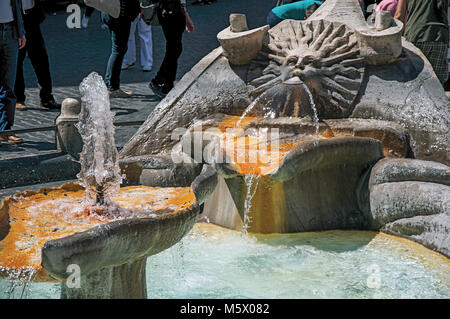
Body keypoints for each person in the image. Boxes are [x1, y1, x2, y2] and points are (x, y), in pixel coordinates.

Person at [14, 0, 61, 111]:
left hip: (31, 15)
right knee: (17, 60)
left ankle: (46, 97)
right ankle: (18, 98)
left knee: (41, 59)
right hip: (16, 17)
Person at [395, 0, 449, 85]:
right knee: (437, 83)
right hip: (439, 36)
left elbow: (399, 16)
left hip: (416, 34)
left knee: (414, 81)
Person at [149, 0, 194, 98]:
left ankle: (163, 81)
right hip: (170, 12)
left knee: (174, 49)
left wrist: (186, 16)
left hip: (173, 11)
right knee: (174, 49)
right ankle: (165, 84)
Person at [101, 0, 141, 98]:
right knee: (118, 50)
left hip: (110, 12)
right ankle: (112, 87)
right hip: (120, 14)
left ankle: (109, 84)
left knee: (118, 49)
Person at [0, 0, 26, 144]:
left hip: (10, 31)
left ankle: (5, 129)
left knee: (8, 84)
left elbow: (17, 5)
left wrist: (21, 31)